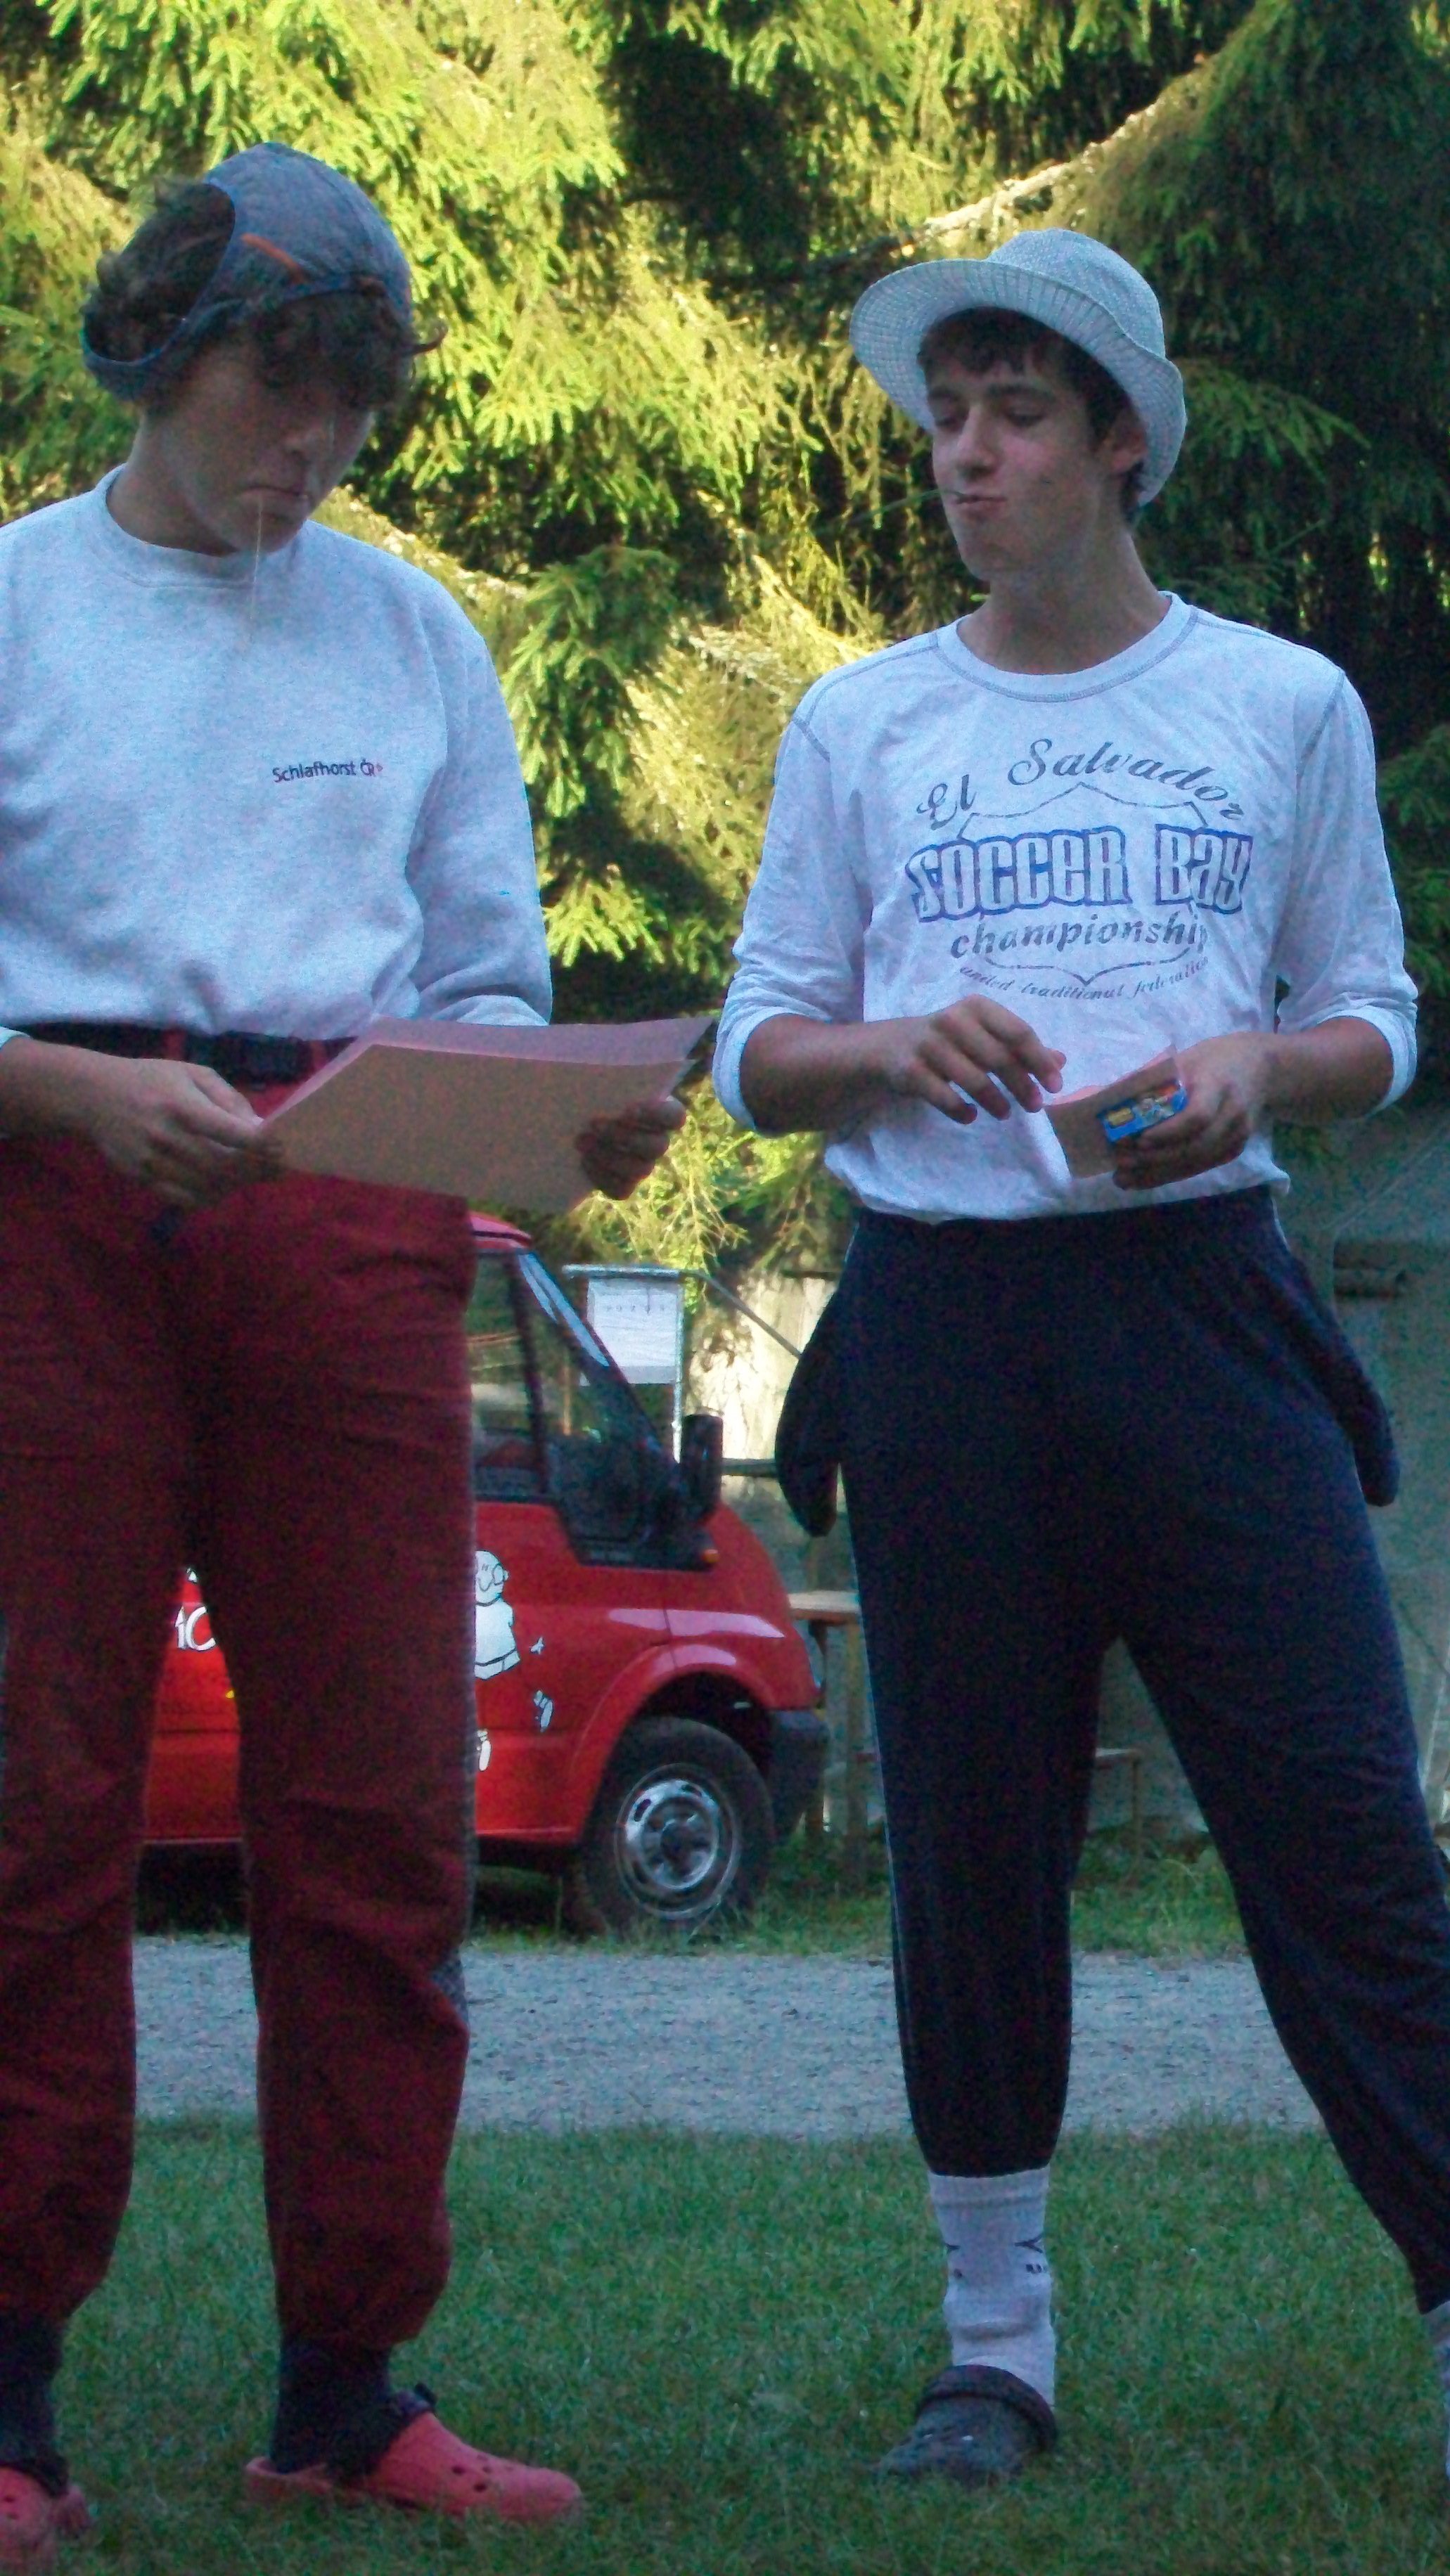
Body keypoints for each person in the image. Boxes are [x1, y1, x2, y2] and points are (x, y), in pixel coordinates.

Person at [714, 227, 1450, 2490]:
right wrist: (887, 1047)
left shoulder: (1279, 705)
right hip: (945, 1326)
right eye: (948, 416)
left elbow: (1375, 1017)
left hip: (1207, 1312)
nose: (967, 455)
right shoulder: (864, 724)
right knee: (970, 1836)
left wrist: (1256, 1070)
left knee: (1344, 1825)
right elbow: (757, 1050)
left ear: (1123, 443)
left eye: (1017, 415)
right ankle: (994, 2348)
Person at [0, 143, 681, 2563]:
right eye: (270, 391)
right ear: (160, 358)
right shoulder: (16, 602)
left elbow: (483, 968)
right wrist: (72, 1092)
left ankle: (349, 2384)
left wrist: (552, 1121)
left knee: (386, 1806)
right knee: (38, 1798)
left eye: (346, 406)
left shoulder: (410, 638)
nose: (307, 446)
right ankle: (9, 2406)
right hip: (50, 1205)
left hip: (357, 1222)